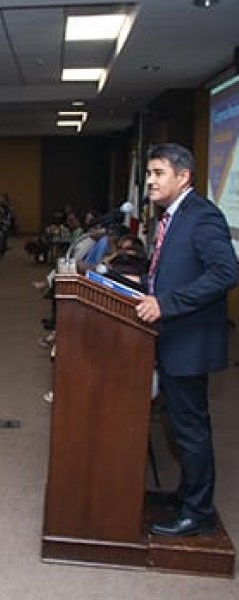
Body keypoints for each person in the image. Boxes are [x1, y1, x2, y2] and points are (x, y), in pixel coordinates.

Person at [135, 143, 238, 537]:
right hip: (174, 336)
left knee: (190, 428)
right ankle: (189, 493)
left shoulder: (202, 216)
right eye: (148, 174)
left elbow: (226, 272)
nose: (150, 182)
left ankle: (199, 512)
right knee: (181, 425)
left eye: (158, 173)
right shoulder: (171, 216)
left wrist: (166, 303)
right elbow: (172, 270)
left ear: (183, 177)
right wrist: (139, 286)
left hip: (189, 340)